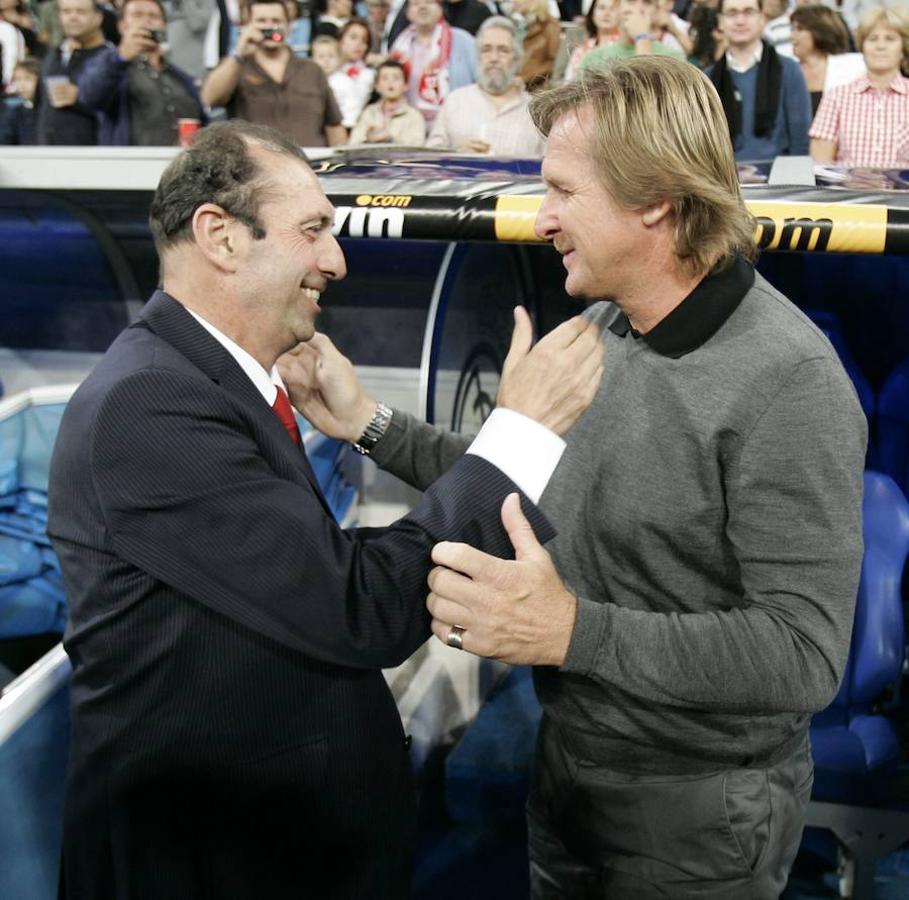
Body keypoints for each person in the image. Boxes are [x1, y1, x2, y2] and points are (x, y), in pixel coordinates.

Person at [290, 55, 867, 898]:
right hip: (569, 763)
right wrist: (367, 425)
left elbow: (801, 654)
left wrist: (569, 634)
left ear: (656, 202)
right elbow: (528, 478)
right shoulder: (604, 324)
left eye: (562, 190)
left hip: (700, 814)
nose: (539, 219)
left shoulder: (788, 382)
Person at [47, 118, 604, 900]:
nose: (335, 261)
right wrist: (519, 432)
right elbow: (358, 606)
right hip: (215, 860)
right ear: (221, 236)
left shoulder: (206, 382)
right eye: (313, 230)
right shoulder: (152, 404)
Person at [202, 0, 347, 146]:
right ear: (247, 26)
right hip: (256, 165)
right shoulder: (236, 67)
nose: (270, 26)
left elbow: (334, 125)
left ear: (289, 26)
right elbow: (210, 98)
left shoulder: (312, 70)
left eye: (276, 20)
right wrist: (239, 53)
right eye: (261, 21)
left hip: (308, 164)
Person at [78, 0, 204, 144]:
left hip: (179, 162)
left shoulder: (180, 75)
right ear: (122, 25)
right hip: (130, 163)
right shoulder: (107, 63)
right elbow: (90, 96)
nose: (146, 20)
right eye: (137, 15)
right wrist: (121, 57)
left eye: (154, 16)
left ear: (164, 26)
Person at [709, 0, 812, 159]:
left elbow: (800, 141)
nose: (740, 21)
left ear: (763, 18)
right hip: (722, 180)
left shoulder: (788, 70)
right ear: (720, 21)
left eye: (749, 12)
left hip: (778, 180)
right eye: (731, 13)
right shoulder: (707, 78)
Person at [809, 4, 909, 168]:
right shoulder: (837, 97)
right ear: (862, 46)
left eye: (890, 39)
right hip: (849, 193)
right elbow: (821, 166)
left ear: (903, 48)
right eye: (872, 38)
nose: (880, 46)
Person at [426, 15, 543, 154]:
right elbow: (430, 159)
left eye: (503, 50)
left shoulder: (536, 112)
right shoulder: (455, 101)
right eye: (486, 49)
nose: (493, 58)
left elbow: (549, 167)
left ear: (516, 58)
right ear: (478, 56)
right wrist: (457, 155)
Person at [36, 0, 113, 145]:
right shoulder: (52, 55)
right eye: (66, 11)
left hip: (94, 156)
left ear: (98, 17)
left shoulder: (111, 59)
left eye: (81, 11)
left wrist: (81, 98)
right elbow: (39, 106)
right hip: (47, 154)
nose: (73, 17)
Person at [390, 0, 476, 125]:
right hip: (409, 127)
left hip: (455, 123)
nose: (422, 7)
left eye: (429, 2)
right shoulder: (399, 48)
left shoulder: (463, 40)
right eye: (415, 4)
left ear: (441, 8)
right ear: (407, 13)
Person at [791, 3, 864, 115]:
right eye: (792, 29)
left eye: (799, 29)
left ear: (820, 31)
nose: (792, 36)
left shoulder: (855, 66)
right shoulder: (788, 71)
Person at [578, 0, 686, 71]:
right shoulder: (593, 58)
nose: (638, 9)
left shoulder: (674, 58)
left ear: (656, 10)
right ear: (617, 7)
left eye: (647, 2)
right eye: (631, 0)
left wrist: (642, 37)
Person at [348, 56, 426, 142]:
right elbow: (353, 142)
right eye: (385, 78)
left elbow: (416, 147)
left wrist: (390, 139)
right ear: (376, 86)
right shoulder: (369, 113)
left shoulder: (414, 116)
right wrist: (368, 140)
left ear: (405, 85)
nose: (390, 82)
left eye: (396, 78)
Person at [328, 16, 375, 128]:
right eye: (353, 37)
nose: (358, 44)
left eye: (364, 40)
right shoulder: (326, 72)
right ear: (340, 40)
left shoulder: (371, 76)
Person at [563, 0, 619, 80]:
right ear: (592, 13)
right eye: (601, 8)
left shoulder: (626, 46)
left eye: (612, 9)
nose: (606, 13)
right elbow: (568, 80)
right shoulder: (582, 48)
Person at [510, 0, 560, 90]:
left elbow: (552, 63)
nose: (514, 2)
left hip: (537, 88)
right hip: (514, 86)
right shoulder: (516, 25)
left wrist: (524, 78)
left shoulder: (550, 25)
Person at [0, 55, 39, 142]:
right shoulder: (14, 114)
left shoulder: (48, 113)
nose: (21, 85)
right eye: (17, 79)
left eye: (28, 79)